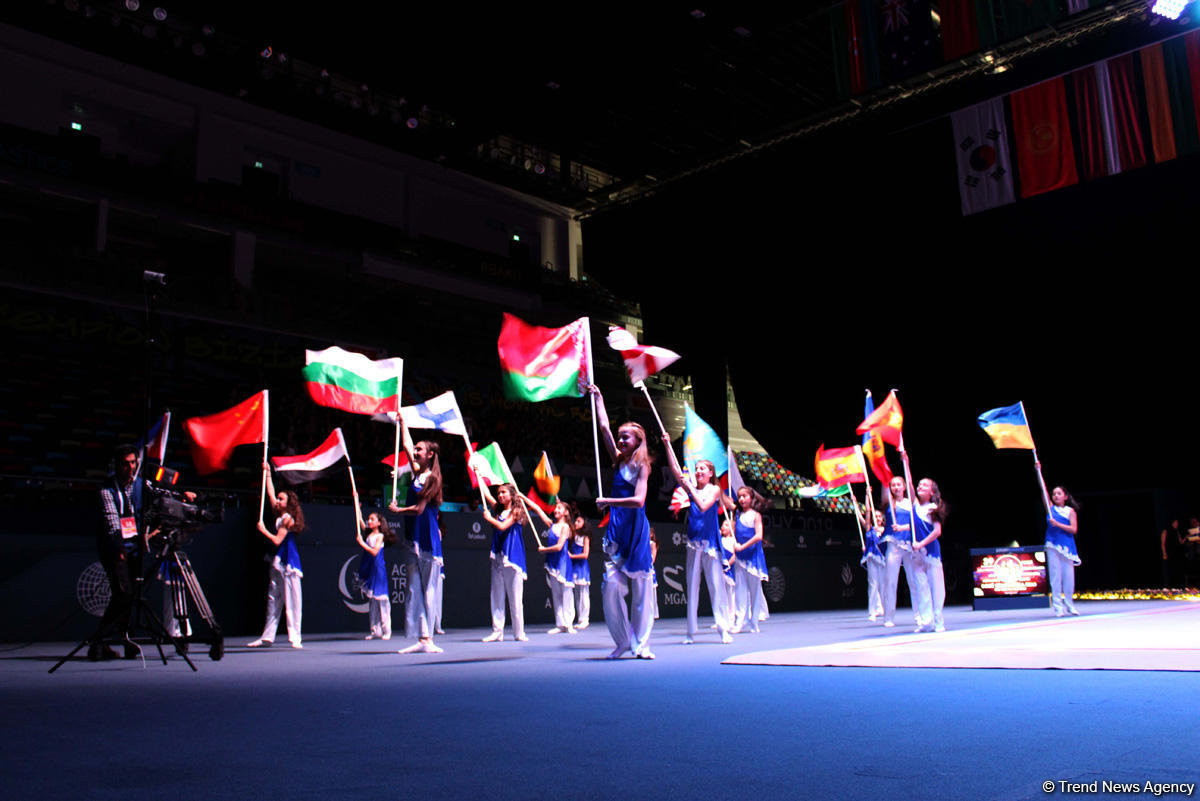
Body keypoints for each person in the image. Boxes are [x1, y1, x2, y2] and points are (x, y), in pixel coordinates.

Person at [590, 385, 656, 659]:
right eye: (619, 437)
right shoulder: (617, 462)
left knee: (641, 589)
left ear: (638, 440)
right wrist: (599, 399)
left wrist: (609, 501)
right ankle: (622, 640)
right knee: (611, 585)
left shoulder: (643, 466)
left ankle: (641, 644)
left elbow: (639, 501)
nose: (620, 441)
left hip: (636, 530)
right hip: (617, 529)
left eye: (625, 437)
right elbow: (603, 428)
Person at [662, 435, 734, 644]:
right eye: (697, 468)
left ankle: (723, 629)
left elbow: (703, 506)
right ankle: (690, 633)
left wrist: (690, 489)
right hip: (693, 542)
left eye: (703, 468)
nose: (698, 471)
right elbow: (676, 471)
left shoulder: (714, 489)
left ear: (710, 473)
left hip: (710, 544)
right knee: (692, 586)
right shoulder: (692, 487)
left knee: (715, 586)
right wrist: (667, 445)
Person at [388, 418, 444, 654]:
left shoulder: (432, 478)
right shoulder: (417, 473)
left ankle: (428, 639)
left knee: (428, 589)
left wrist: (398, 509)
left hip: (428, 538)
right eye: (415, 449)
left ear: (430, 454)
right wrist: (402, 423)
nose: (415, 452)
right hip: (413, 537)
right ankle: (421, 637)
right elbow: (406, 444)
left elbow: (420, 510)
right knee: (414, 589)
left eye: (419, 449)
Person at [248, 464, 305, 648]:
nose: (277, 501)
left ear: (288, 503)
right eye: (279, 499)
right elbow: (271, 493)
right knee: (273, 599)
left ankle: (295, 637)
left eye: (281, 499)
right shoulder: (279, 514)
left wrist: (264, 530)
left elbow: (277, 540)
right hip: (278, 562)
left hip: (289, 562)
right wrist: (267, 474)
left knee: (293, 602)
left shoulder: (288, 518)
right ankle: (267, 637)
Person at [880, 475, 932, 631]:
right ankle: (888, 617)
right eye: (893, 485)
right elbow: (884, 485)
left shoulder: (911, 503)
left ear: (903, 487)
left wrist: (906, 464)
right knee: (890, 581)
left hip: (909, 545)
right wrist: (882, 471)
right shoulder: (888, 501)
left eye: (898, 485)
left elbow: (916, 524)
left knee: (914, 580)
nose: (896, 487)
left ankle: (919, 615)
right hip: (893, 544)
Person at [479, 483, 528, 642]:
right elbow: (486, 494)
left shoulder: (517, 511)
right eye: (499, 493)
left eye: (503, 492)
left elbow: (502, 526)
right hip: (498, 555)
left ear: (512, 494)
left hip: (513, 557)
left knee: (515, 597)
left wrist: (489, 519)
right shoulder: (498, 509)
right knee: (497, 595)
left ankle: (519, 632)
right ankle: (497, 631)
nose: (500, 496)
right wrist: (478, 472)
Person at [528, 497, 577, 634]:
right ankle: (560, 624)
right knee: (556, 594)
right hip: (552, 563)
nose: (556, 509)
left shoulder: (566, 527)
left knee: (566, 593)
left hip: (563, 564)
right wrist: (523, 497)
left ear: (566, 512)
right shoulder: (551, 524)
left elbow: (559, 546)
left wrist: (544, 550)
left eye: (559, 508)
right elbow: (538, 509)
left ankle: (569, 623)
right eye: (556, 508)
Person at [354, 494, 396, 641]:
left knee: (382, 601)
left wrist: (362, 544)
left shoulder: (379, 537)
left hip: (379, 570)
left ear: (379, 523)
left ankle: (386, 630)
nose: (369, 521)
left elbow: (374, 551)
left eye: (372, 519)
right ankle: (375, 630)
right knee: (372, 601)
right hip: (371, 570)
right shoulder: (368, 534)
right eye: (369, 519)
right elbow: (360, 521)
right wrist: (357, 504)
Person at [909, 470, 947, 633]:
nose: (920, 486)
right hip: (917, 555)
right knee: (921, 588)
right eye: (919, 484)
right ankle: (926, 621)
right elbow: (910, 486)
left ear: (932, 492)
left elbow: (937, 531)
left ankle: (938, 621)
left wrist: (921, 543)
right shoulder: (915, 506)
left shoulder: (933, 508)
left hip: (931, 553)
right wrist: (907, 463)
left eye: (925, 485)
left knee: (936, 588)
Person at [730, 486, 769, 633]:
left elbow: (759, 536)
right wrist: (735, 545)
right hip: (740, 558)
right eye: (739, 496)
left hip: (753, 557)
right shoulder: (737, 515)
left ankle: (754, 622)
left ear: (751, 498)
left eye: (744, 496)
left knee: (755, 590)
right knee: (740, 590)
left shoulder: (756, 515)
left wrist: (743, 546)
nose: (741, 499)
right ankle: (740, 621)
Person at [1045, 485, 1081, 617]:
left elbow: (1073, 529)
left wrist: (1057, 524)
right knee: (1055, 576)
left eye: (1059, 493)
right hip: (1052, 544)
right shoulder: (1050, 508)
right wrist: (1039, 471)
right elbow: (1043, 490)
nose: (1056, 496)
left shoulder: (1070, 511)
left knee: (1069, 577)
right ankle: (1057, 606)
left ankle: (1070, 604)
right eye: (1054, 494)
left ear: (1065, 496)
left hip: (1066, 546)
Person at [860, 509, 887, 621]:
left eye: (879, 516)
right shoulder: (869, 528)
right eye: (875, 516)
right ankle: (872, 611)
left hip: (882, 559)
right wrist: (856, 504)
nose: (878, 518)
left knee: (883, 584)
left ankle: (883, 608)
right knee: (873, 585)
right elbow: (864, 516)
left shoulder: (885, 530)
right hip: (871, 557)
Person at [568, 506, 591, 629]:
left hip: (581, 567)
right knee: (576, 594)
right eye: (575, 521)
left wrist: (572, 556)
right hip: (573, 567)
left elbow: (585, 554)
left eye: (579, 521)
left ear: (584, 524)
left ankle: (585, 619)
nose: (576, 523)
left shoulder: (585, 537)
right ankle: (579, 618)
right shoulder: (572, 535)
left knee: (583, 594)